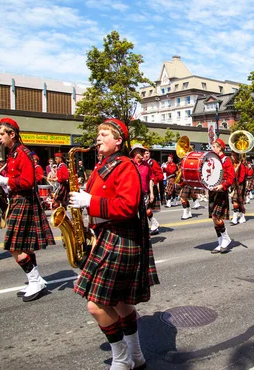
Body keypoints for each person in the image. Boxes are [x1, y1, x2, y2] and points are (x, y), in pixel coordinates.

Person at [69, 118, 159, 370]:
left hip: (120, 237)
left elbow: (128, 206)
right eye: (98, 134)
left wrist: (90, 202)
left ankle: (121, 358)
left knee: (96, 304)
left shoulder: (125, 166)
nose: (98, 138)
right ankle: (136, 355)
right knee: (119, 302)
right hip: (106, 235)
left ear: (118, 140)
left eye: (104, 134)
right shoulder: (103, 166)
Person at [0, 117, 55, 302]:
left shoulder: (23, 153)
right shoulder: (13, 153)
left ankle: (36, 280)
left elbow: (28, 181)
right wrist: (5, 185)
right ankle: (33, 280)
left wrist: (6, 181)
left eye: (2, 133)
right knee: (25, 246)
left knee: (13, 246)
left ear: (12, 134)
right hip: (18, 199)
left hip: (24, 201)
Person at [209, 138, 235, 254]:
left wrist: (223, 185)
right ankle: (220, 242)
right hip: (212, 190)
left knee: (217, 217)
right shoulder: (212, 159)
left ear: (220, 148)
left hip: (221, 190)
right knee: (214, 218)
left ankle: (226, 238)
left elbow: (231, 178)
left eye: (214, 146)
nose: (212, 148)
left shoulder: (226, 160)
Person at [131, 144, 159, 237]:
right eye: (141, 151)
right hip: (132, 194)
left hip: (144, 193)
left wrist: (151, 193)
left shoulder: (146, 165)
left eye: (144, 151)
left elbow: (150, 179)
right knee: (133, 215)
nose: (143, 153)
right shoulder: (130, 164)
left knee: (143, 214)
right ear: (135, 152)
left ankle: (144, 234)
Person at [144, 148, 163, 233]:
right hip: (144, 188)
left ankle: (154, 223)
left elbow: (161, 176)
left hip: (151, 188)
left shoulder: (153, 163)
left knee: (147, 208)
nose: (146, 155)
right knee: (144, 209)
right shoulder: (142, 163)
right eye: (144, 153)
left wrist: (153, 180)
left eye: (147, 153)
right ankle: (154, 225)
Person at [230, 151, 247, 225]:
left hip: (239, 185)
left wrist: (236, 182)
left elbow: (242, 177)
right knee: (238, 201)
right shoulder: (232, 165)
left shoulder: (241, 165)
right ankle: (242, 216)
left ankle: (235, 218)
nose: (231, 157)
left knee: (236, 200)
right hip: (234, 184)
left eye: (233, 155)